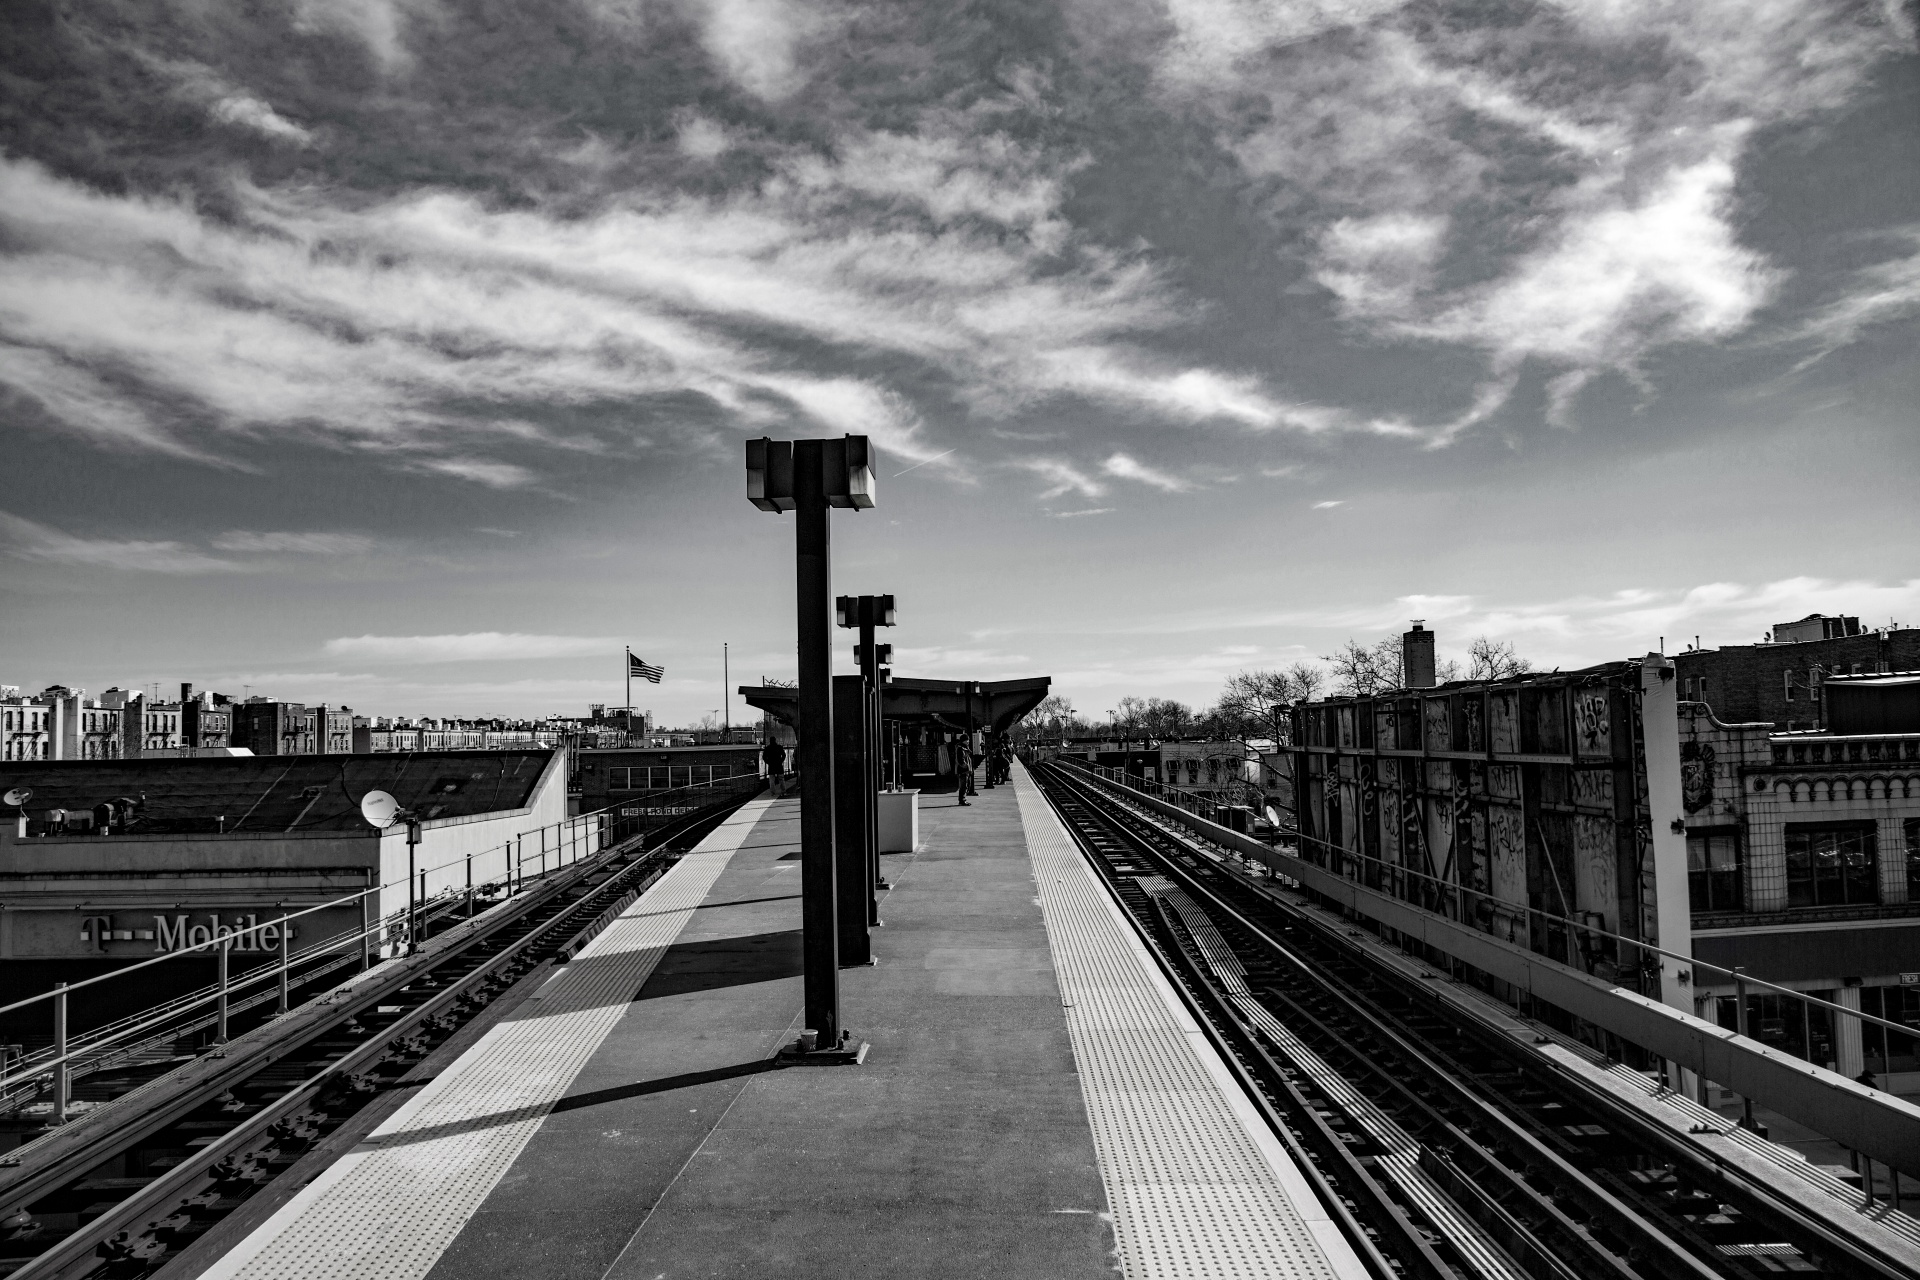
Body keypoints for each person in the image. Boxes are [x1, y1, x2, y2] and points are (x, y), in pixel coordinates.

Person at [953, 735, 974, 805]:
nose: (968, 741)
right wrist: (966, 766)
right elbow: (960, 760)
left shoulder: (964, 748)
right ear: (964, 740)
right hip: (963, 770)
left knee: (965, 785)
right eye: (967, 740)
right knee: (963, 786)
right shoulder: (960, 749)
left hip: (964, 770)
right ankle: (962, 800)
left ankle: (963, 799)